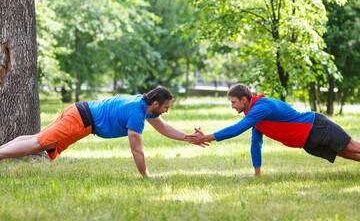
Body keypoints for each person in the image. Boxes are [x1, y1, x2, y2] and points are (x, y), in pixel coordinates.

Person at [0, 87, 205, 178]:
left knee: (42, 140)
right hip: (81, 119)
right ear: (156, 103)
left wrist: (189, 138)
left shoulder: (143, 104)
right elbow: (137, 151)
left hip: (80, 111)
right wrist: (146, 175)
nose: (167, 111)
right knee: (39, 143)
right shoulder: (137, 112)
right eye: (166, 107)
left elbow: (165, 128)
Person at [185, 83, 360, 176]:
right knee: (344, 153)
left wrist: (206, 137)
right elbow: (256, 143)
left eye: (233, 102)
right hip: (306, 140)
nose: (232, 106)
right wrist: (257, 173)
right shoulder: (254, 115)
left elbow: (236, 129)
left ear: (244, 99)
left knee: (352, 147)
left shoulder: (261, 107)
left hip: (316, 126)